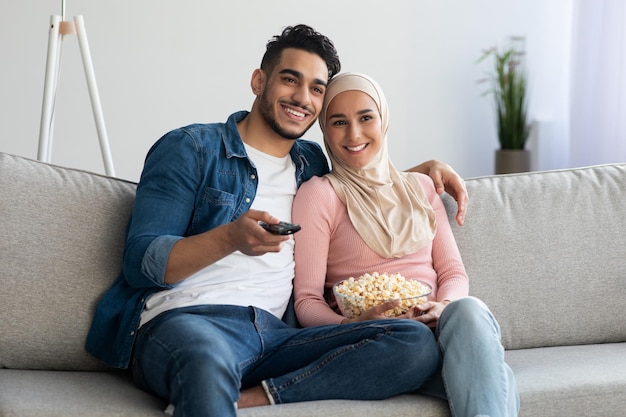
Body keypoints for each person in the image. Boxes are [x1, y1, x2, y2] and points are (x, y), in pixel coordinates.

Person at [85, 25, 468, 417]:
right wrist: (229, 238)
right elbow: (140, 261)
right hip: (188, 322)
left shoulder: (311, 165)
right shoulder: (191, 148)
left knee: (412, 344)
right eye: (290, 80)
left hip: (276, 336)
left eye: (317, 89)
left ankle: (258, 396)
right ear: (258, 81)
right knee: (206, 359)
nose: (302, 98)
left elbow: (362, 178)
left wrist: (422, 173)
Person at [293, 72, 519, 417]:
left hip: (440, 329)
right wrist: (351, 325)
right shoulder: (318, 195)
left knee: (469, 309)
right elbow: (307, 301)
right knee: (498, 376)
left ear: (383, 120)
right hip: (382, 340)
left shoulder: (420, 187)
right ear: (324, 129)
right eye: (339, 122)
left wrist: (443, 306)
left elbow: (453, 272)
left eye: (366, 117)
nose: (353, 134)